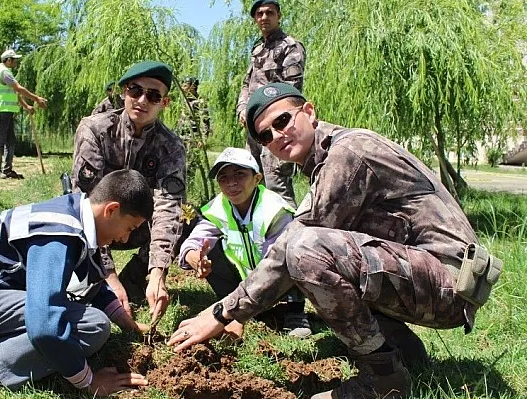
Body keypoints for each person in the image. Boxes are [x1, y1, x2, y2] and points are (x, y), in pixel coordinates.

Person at [168, 82, 503, 399]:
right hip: (439, 279)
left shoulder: (348, 153)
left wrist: (222, 314)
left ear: (310, 112)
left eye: (283, 120)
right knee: (327, 253)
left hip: (448, 285)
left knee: (306, 251)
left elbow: (292, 246)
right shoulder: (325, 157)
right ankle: (402, 350)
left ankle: (383, 380)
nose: (276, 135)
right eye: (265, 135)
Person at [0, 169, 154, 399]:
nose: (125, 238)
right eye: (129, 228)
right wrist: (88, 382)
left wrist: (126, 322)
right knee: (92, 325)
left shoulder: (74, 213)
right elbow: (45, 326)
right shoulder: (60, 232)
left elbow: (91, 279)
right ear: (111, 209)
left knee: (76, 315)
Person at [72, 60, 186, 326]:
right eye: (135, 91)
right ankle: (96, 282)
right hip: (99, 225)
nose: (142, 100)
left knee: (186, 219)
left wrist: (158, 273)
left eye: (154, 95)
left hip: (136, 226)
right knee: (75, 219)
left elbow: (168, 207)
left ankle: (135, 281)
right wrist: (107, 275)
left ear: (164, 103)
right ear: (124, 92)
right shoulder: (95, 130)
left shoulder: (171, 146)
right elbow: (86, 206)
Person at [179, 147, 311, 338]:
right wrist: (194, 257)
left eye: (240, 174)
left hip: (278, 280)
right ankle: (235, 302)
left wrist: (238, 316)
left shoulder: (274, 211)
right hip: (246, 281)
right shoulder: (219, 207)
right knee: (210, 250)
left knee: (292, 254)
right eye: (223, 178)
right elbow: (197, 238)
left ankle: (295, 312)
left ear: (257, 179)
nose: (231, 183)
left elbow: (275, 268)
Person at [236, 0, 306, 208]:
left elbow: (291, 89)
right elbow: (247, 83)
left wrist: (268, 117)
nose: (264, 17)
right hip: (253, 129)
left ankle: (290, 236)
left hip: (276, 129)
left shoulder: (290, 46)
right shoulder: (257, 49)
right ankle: (258, 234)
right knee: (251, 182)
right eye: (259, 14)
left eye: (269, 13)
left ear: (278, 16)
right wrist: (242, 109)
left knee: (277, 185)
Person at [0, 49, 47, 179]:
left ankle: (8, 169)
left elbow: (14, 93)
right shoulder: (3, 72)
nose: (17, 62)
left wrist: (26, 106)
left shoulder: (6, 72)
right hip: (0, 110)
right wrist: (37, 99)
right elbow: (19, 88)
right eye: (15, 59)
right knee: (0, 141)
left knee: (10, 141)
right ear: (8, 60)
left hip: (7, 112)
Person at [176, 76, 211, 190]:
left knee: (190, 164)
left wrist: (202, 139)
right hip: (181, 136)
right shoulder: (183, 101)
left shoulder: (199, 102)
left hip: (193, 137)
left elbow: (205, 121)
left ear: (193, 87)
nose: (183, 88)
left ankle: (189, 189)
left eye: (186, 85)